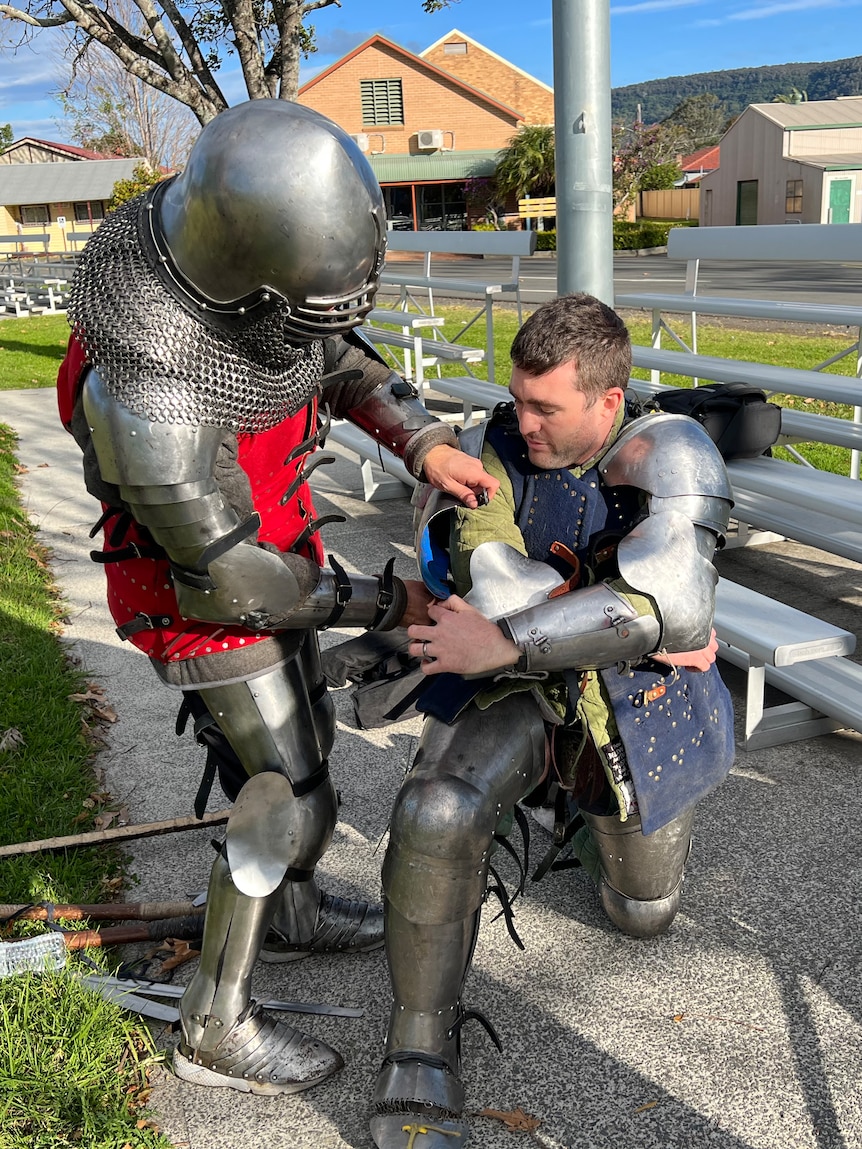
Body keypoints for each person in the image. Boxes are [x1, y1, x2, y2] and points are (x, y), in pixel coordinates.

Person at [56, 99, 498, 1096]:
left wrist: (421, 441)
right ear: (246, 291)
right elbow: (232, 581)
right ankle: (216, 1020)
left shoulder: (230, 274)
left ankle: (291, 917)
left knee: (306, 760)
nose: (309, 328)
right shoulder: (145, 379)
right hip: (199, 598)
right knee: (285, 797)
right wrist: (385, 604)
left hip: (277, 560)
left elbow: (327, 358)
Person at [369, 293, 735, 1148]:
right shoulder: (498, 439)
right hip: (521, 684)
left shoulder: (672, 451)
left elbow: (667, 606)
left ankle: (584, 821)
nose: (520, 421)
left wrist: (508, 636)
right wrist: (511, 615)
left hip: (634, 702)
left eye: (546, 407)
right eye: (518, 397)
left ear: (608, 402)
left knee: (644, 911)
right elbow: (482, 548)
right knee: (436, 809)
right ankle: (420, 1043)